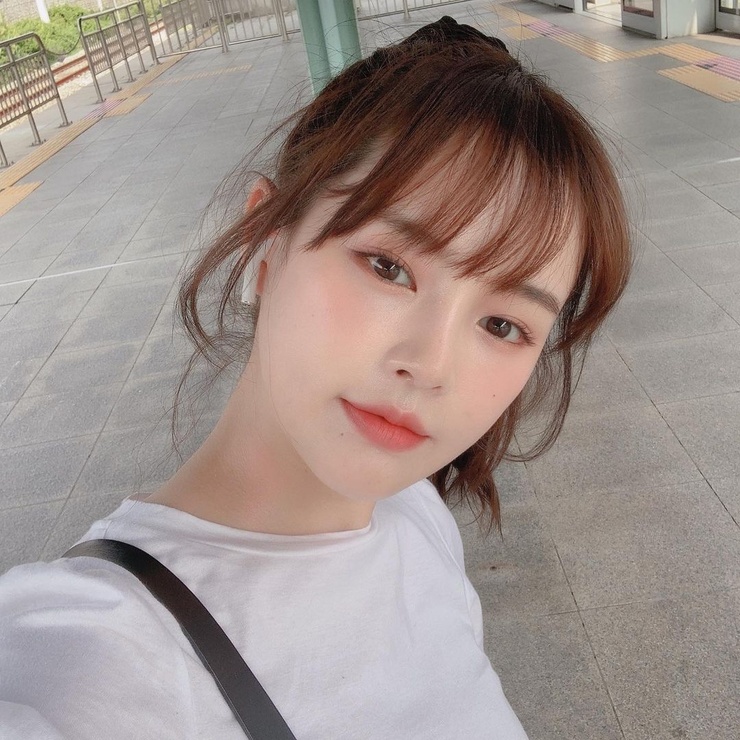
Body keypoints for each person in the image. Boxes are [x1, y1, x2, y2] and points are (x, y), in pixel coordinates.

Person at [0, 16, 631, 739]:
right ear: (267, 241)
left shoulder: (416, 517)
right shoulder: (90, 663)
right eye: (389, 267)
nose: (431, 365)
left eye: (502, 325)